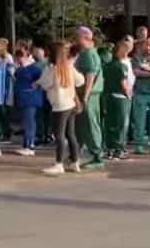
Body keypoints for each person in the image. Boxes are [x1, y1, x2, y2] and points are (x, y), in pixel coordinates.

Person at [38, 42, 80, 176]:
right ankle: (75, 162)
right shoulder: (69, 67)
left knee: (59, 136)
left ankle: (59, 164)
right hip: (70, 104)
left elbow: (45, 84)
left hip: (58, 106)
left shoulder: (51, 69)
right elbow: (81, 80)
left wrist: (36, 83)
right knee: (71, 135)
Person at [72, 27, 106, 170]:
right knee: (80, 126)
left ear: (85, 37)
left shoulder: (87, 54)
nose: (75, 39)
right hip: (88, 95)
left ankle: (97, 156)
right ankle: (75, 154)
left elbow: (90, 76)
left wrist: (85, 97)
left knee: (90, 125)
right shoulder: (88, 53)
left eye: (77, 36)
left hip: (88, 96)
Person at [102, 37, 134, 159]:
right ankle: (118, 149)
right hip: (121, 98)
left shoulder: (107, 66)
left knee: (110, 123)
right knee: (121, 124)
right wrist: (128, 95)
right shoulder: (121, 66)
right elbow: (123, 83)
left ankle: (109, 148)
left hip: (109, 96)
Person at [12, 44, 44, 156]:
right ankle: (27, 144)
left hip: (30, 97)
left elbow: (39, 79)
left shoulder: (34, 68)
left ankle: (29, 145)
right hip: (24, 97)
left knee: (29, 122)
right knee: (27, 122)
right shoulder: (23, 68)